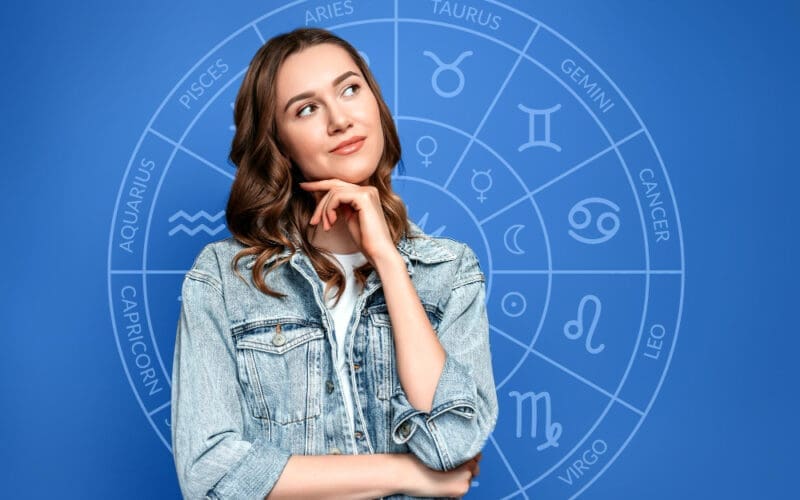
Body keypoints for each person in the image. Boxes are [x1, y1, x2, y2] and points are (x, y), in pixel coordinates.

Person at [171, 27, 498, 499]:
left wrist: (388, 261)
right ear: (278, 143)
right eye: (306, 109)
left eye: (350, 89)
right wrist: (409, 475)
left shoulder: (449, 272)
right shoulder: (224, 279)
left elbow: (453, 442)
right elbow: (211, 476)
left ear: (376, 106)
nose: (340, 120)